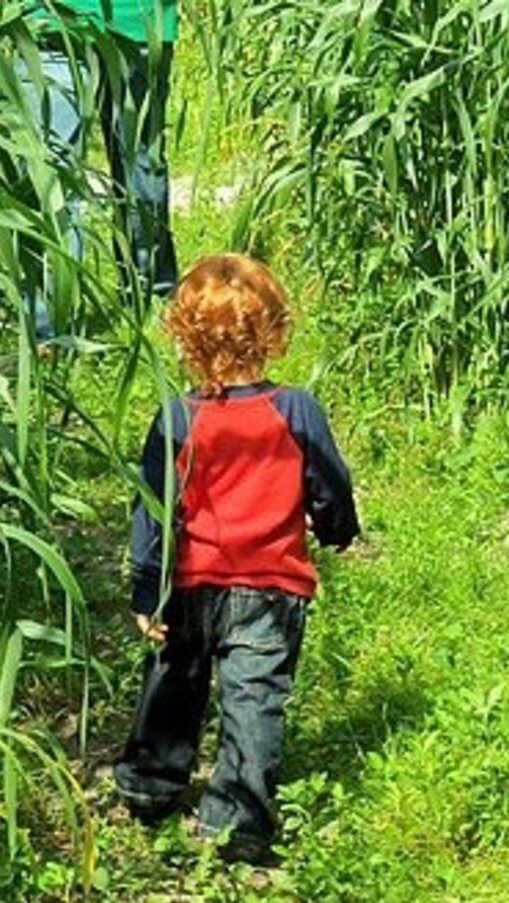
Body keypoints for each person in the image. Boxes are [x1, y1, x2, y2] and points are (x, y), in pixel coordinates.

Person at [113, 254, 360, 863]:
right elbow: (330, 484)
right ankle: (238, 822)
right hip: (270, 590)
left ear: (185, 339)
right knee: (254, 698)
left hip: (192, 584)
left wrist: (149, 590)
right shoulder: (295, 409)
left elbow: (153, 509)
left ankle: (150, 784)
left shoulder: (178, 416)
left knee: (175, 680)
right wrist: (337, 529)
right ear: (272, 332)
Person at [25, 0, 179, 342]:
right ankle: (52, 328)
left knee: (134, 170)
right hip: (66, 21)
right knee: (59, 178)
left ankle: (146, 296)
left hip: (119, 21)